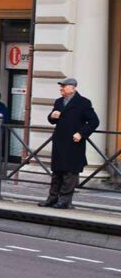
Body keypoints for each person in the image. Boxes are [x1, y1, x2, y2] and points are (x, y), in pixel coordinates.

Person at [38, 78, 99, 209]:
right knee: (57, 172)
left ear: (73, 87)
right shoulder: (59, 102)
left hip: (74, 142)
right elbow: (52, 121)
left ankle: (64, 200)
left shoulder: (83, 102)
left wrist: (81, 133)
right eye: (61, 86)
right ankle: (52, 199)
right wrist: (51, 116)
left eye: (64, 86)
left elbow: (94, 121)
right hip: (59, 141)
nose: (61, 89)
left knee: (69, 173)